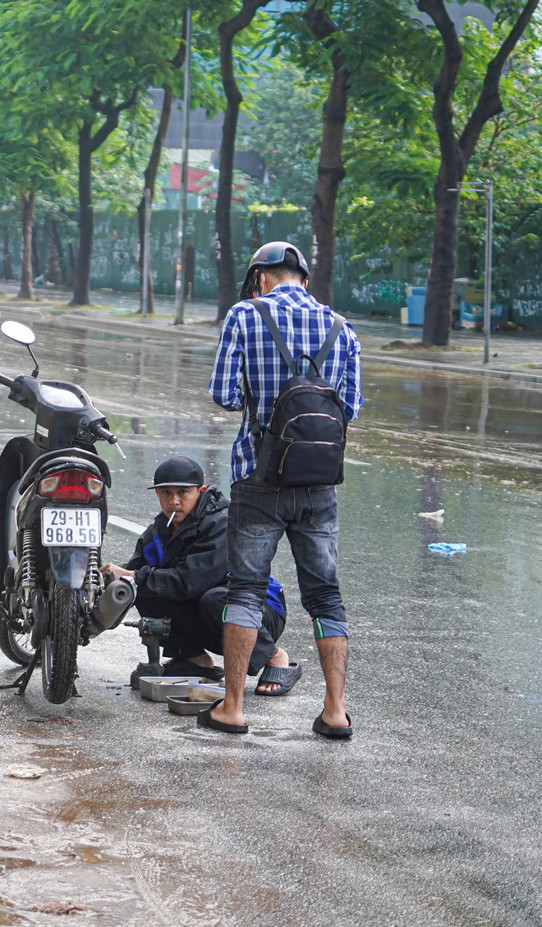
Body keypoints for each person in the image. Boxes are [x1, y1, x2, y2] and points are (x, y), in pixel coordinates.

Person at [205, 241, 362, 738]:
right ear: (304, 279)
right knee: (326, 598)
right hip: (318, 482)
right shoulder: (343, 328)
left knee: (246, 591)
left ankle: (232, 708)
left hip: (258, 476)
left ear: (262, 278)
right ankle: (335, 711)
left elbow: (225, 394)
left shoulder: (245, 316)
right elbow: (351, 409)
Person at [101, 456, 297, 691]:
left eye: (183, 492)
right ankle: (194, 660)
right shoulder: (157, 532)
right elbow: (136, 574)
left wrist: (135, 576)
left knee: (212, 598)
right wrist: (110, 581)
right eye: (165, 493)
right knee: (142, 588)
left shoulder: (221, 524)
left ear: (200, 491)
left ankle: (274, 657)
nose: (174, 501)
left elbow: (191, 581)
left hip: (259, 610)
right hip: (211, 610)